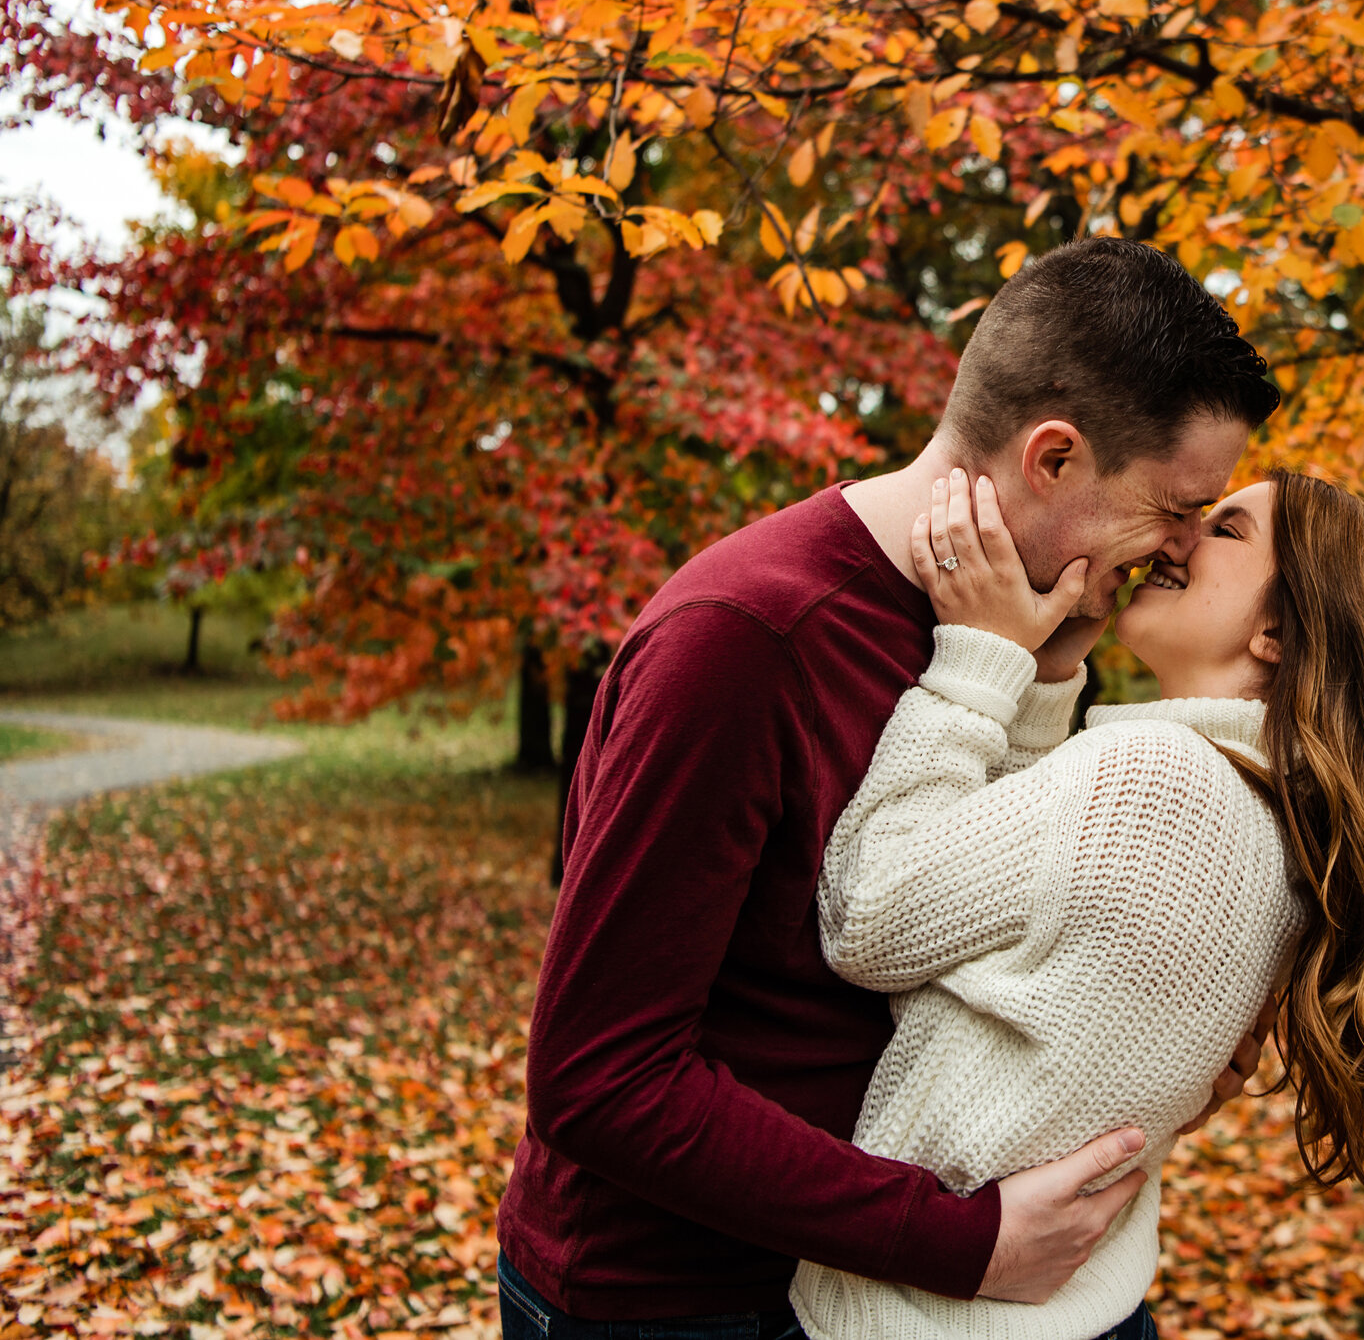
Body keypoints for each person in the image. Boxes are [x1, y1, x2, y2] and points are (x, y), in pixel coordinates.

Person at [494, 237, 1282, 1338]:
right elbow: (599, 1076)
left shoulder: (1047, 629)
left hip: (919, 1286)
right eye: (1174, 510)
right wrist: (961, 1239)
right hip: (693, 1298)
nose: (1179, 555)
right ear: (1051, 460)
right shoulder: (742, 641)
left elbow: (990, 949)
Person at [790, 468, 1364, 1340]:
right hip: (1076, 1311)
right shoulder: (1271, 814)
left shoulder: (1156, 782)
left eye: (1225, 529)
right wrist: (1053, 669)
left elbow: (867, 910)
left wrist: (977, 661)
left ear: (1277, 632)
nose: (1176, 537)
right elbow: (1021, 911)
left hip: (920, 1319)